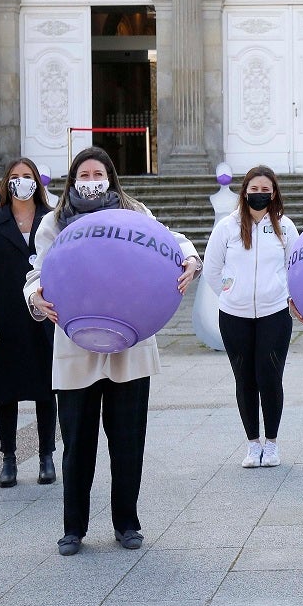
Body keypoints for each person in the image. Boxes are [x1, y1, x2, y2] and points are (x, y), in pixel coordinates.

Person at [25, 147, 201, 556]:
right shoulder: (54, 221)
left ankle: (127, 523)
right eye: (84, 175)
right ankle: (73, 529)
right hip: (77, 343)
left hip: (129, 343)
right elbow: (37, 271)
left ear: (110, 177)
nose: (91, 181)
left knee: (128, 440)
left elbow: (170, 241)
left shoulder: (134, 211)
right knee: (77, 443)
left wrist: (192, 258)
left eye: (98, 174)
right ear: (73, 179)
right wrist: (35, 297)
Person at [202, 166, 300, 469]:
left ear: (274, 193)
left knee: (269, 377)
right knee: (244, 378)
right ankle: (253, 443)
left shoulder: (285, 226)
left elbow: (295, 267)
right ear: (244, 192)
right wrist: (230, 292)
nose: (259, 195)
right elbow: (212, 268)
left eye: (265, 190)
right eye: (254, 189)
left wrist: (285, 294)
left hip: (274, 314)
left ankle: (271, 443)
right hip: (235, 316)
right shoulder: (228, 226)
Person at [0, 158, 57, 488]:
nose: (22, 181)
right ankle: (8, 457)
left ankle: (46, 455)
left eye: (28, 176)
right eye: (16, 176)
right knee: (6, 391)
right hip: (5, 318)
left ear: (37, 181)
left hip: (44, 315)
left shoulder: (52, 219)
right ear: (7, 182)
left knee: (46, 389)